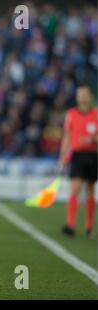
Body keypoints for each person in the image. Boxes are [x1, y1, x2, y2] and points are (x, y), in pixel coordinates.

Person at [58, 86, 97, 239]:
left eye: (85, 94)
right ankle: (70, 225)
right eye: (80, 95)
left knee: (90, 189)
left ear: (90, 97)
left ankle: (88, 226)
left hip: (93, 155)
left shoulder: (96, 114)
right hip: (77, 155)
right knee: (74, 189)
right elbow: (67, 137)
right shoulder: (71, 114)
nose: (83, 97)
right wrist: (62, 157)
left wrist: (92, 139)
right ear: (77, 97)